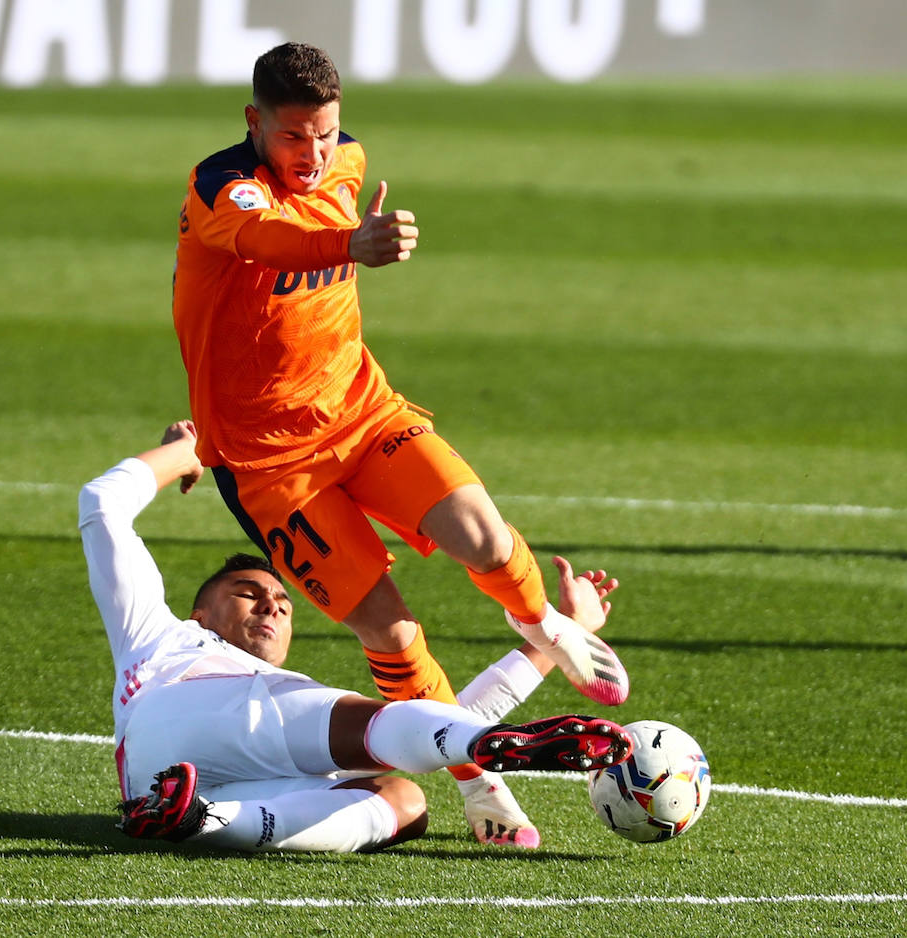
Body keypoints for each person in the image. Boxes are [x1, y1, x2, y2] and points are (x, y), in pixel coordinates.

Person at [169, 41, 630, 845]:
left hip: (362, 409)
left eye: (325, 134)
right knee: (391, 633)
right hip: (272, 467)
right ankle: (479, 784)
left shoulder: (348, 162)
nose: (312, 155)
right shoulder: (222, 188)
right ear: (254, 123)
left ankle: (544, 626)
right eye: (292, 137)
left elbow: (330, 188)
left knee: (484, 535)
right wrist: (351, 245)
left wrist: (358, 229)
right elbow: (274, 241)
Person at [79, 423, 633, 852]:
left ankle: (200, 821)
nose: (272, 602)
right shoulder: (160, 635)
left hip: (172, 787)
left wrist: (558, 642)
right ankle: (484, 748)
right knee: (383, 727)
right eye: (248, 592)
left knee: (404, 799)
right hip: (182, 710)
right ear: (200, 614)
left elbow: (436, 714)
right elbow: (101, 504)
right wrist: (187, 453)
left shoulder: (282, 688)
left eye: (284, 601)